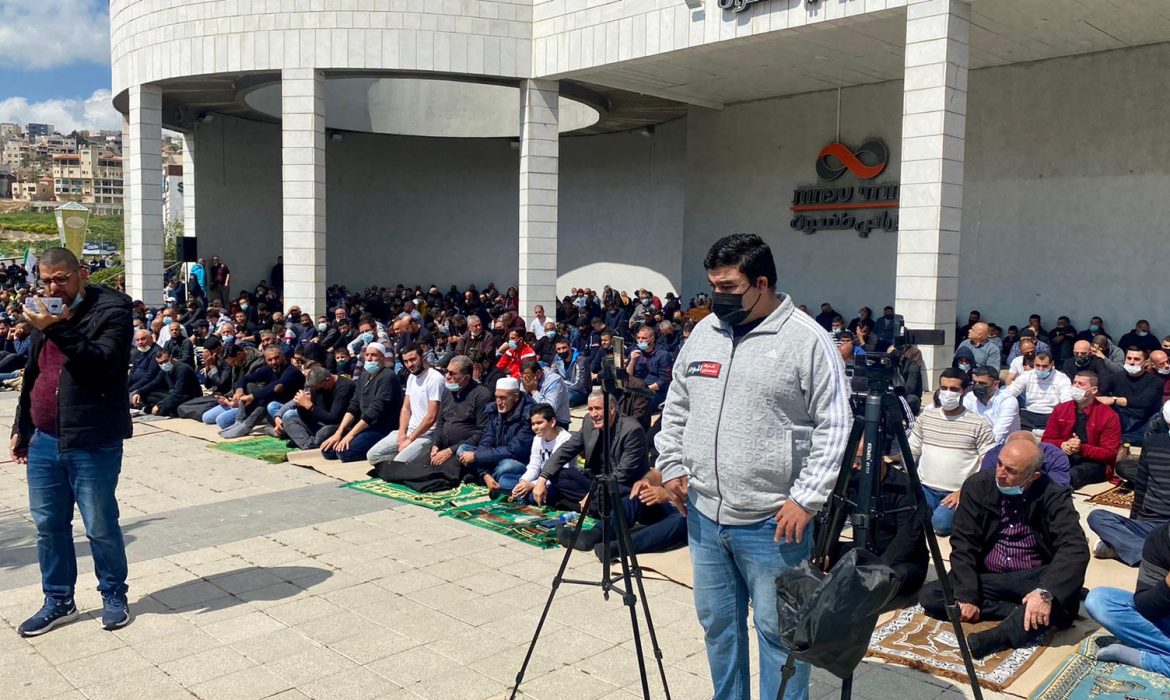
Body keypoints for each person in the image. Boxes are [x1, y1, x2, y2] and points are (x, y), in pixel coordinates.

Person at [655, 234, 852, 700]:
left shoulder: (807, 340)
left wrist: (807, 497)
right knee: (718, 626)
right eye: (712, 286)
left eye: (728, 287)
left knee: (780, 634)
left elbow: (836, 423)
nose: (716, 297)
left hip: (772, 523)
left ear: (761, 283)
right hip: (704, 515)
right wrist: (672, 462)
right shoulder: (705, 333)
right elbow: (678, 403)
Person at [11, 247, 135, 635]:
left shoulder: (111, 311)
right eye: (46, 280)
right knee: (49, 526)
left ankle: (113, 594)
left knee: (99, 524)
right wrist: (21, 426)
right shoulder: (44, 312)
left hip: (92, 438)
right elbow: (34, 373)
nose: (53, 288)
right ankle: (58, 600)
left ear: (82, 273)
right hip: (44, 438)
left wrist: (55, 327)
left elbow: (101, 363)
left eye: (61, 279)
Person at [919, 439, 1088, 658]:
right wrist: (968, 595)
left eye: (1011, 471)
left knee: (1061, 600)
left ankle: (998, 637)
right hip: (988, 576)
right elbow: (963, 543)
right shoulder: (978, 485)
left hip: (1031, 577)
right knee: (931, 596)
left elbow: (1074, 548)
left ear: (1033, 476)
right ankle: (1020, 612)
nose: (1000, 473)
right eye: (999, 464)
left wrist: (1045, 592)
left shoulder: (1052, 494)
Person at [909, 368, 997, 535]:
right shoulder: (926, 417)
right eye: (944, 388)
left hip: (957, 492)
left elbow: (988, 463)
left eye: (954, 389)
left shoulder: (978, 423)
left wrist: (964, 492)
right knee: (912, 520)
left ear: (964, 391)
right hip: (925, 487)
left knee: (940, 525)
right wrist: (909, 480)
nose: (947, 393)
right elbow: (912, 450)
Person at [1087, 402, 1170, 566]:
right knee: (1097, 517)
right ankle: (1147, 554)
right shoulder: (1153, 441)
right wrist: (1134, 522)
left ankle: (1126, 549)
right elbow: (1141, 485)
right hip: (1149, 524)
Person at [1084, 523, 1170, 676]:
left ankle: (1147, 660)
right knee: (1099, 601)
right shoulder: (1160, 538)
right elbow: (1145, 606)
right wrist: (1167, 586)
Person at [367, 343, 446, 471]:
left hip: (427, 434)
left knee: (399, 464)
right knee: (373, 456)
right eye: (406, 361)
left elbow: (431, 417)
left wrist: (410, 439)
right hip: (409, 431)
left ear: (423, 357)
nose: (409, 364)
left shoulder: (435, 379)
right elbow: (406, 408)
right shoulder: (411, 378)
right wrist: (402, 434)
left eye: (413, 360)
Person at [320, 343, 403, 462]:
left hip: (382, 428)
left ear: (382, 358)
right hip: (365, 426)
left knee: (344, 453)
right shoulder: (364, 376)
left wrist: (351, 435)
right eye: (367, 355)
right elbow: (354, 406)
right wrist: (339, 432)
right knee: (327, 450)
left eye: (374, 355)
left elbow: (374, 411)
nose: (369, 358)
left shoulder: (388, 377)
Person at [1042, 370, 1122, 488]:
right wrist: (1062, 444)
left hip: (1094, 463)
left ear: (1094, 390)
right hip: (1063, 455)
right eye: (1074, 382)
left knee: (1073, 474)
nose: (1075, 387)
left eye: (1081, 384)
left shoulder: (1109, 416)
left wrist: (1081, 448)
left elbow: (1109, 453)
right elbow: (1046, 440)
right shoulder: (1061, 409)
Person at [456, 377, 536, 490]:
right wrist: (485, 473)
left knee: (506, 467)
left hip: (517, 460)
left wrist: (477, 457)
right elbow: (486, 441)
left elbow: (513, 451)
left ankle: (483, 477)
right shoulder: (494, 410)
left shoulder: (529, 414)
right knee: (462, 450)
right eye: (497, 397)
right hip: (495, 455)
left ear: (516, 396)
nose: (498, 402)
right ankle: (487, 477)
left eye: (503, 398)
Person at [219, 345, 305, 438]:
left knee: (268, 400)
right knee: (248, 386)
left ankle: (246, 426)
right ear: (266, 360)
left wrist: (252, 396)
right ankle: (239, 421)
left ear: (283, 356)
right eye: (270, 360)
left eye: (276, 358)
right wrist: (239, 390)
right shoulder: (269, 369)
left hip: (290, 410)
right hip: (274, 412)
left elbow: (276, 387)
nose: (274, 362)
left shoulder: (291, 371)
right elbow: (245, 378)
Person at [276, 366, 356, 450]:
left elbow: (334, 418)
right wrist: (301, 406)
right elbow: (306, 418)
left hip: (339, 425)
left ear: (328, 380)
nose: (316, 391)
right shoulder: (315, 388)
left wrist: (310, 406)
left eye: (318, 388)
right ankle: (308, 445)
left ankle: (307, 441)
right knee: (289, 417)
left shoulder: (345, 387)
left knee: (323, 433)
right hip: (320, 422)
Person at [504, 403, 572, 498]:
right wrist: (524, 482)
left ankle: (524, 496)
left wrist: (532, 485)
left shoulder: (565, 439)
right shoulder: (537, 438)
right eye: (533, 424)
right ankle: (524, 494)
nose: (535, 427)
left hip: (556, 482)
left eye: (539, 423)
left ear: (552, 422)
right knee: (504, 480)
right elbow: (534, 466)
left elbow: (561, 474)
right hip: (539, 478)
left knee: (547, 493)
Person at [1101, 347, 1164, 445]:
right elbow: (1101, 393)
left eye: (1136, 359)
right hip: (1119, 419)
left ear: (1146, 362)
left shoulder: (1155, 381)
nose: (1131, 362)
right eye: (1129, 358)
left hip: (1142, 422)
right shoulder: (1115, 377)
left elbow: (1143, 401)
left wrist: (1114, 400)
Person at [1002, 352, 1073, 430]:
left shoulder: (1062, 378)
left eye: (1044, 366)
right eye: (1037, 365)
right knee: (1013, 415)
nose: (1041, 369)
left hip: (1051, 414)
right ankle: (1038, 431)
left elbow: (1066, 399)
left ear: (1052, 364)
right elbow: (1011, 391)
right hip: (1030, 413)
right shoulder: (1027, 375)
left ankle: (1033, 430)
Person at [980, 430, 1071, 486]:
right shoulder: (994, 454)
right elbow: (986, 483)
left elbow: (1058, 487)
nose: (1001, 474)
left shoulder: (1054, 456)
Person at [133, 348, 201, 417]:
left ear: (171, 357)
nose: (163, 364)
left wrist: (159, 405)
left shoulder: (183, 369)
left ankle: (162, 410)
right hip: (172, 395)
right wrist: (139, 392)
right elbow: (154, 383)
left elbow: (179, 393)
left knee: (166, 408)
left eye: (165, 361)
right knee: (146, 395)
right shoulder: (165, 370)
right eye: (160, 363)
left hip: (186, 398)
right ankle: (159, 409)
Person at [963, 365, 1019, 444]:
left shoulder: (1008, 401)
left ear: (995, 384)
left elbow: (999, 434)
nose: (977, 386)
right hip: (976, 442)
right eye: (975, 382)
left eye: (982, 383)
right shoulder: (969, 398)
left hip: (1005, 444)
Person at [627, 324, 672, 412]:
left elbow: (663, 382)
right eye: (638, 338)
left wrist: (644, 389)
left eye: (644, 338)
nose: (640, 341)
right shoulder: (636, 350)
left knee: (640, 405)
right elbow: (628, 375)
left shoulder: (662, 355)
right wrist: (632, 361)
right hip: (638, 389)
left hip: (655, 391)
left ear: (652, 339)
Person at [551, 337, 590, 406]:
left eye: (564, 348)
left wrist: (562, 388)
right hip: (563, 389)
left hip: (580, 392)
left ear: (570, 347)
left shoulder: (580, 359)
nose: (561, 351)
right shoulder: (557, 358)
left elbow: (580, 384)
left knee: (568, 398)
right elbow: (553, 376)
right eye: (558, 349)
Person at [127, 329, 159, 403]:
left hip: (144, 387)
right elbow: (132, 371)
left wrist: (130, 389)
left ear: (151, 338)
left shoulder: (157, 353)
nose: (140, 342)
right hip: (134, 385)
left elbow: (150, 376)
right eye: (137, 340)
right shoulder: (140, 351)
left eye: (143, 339)